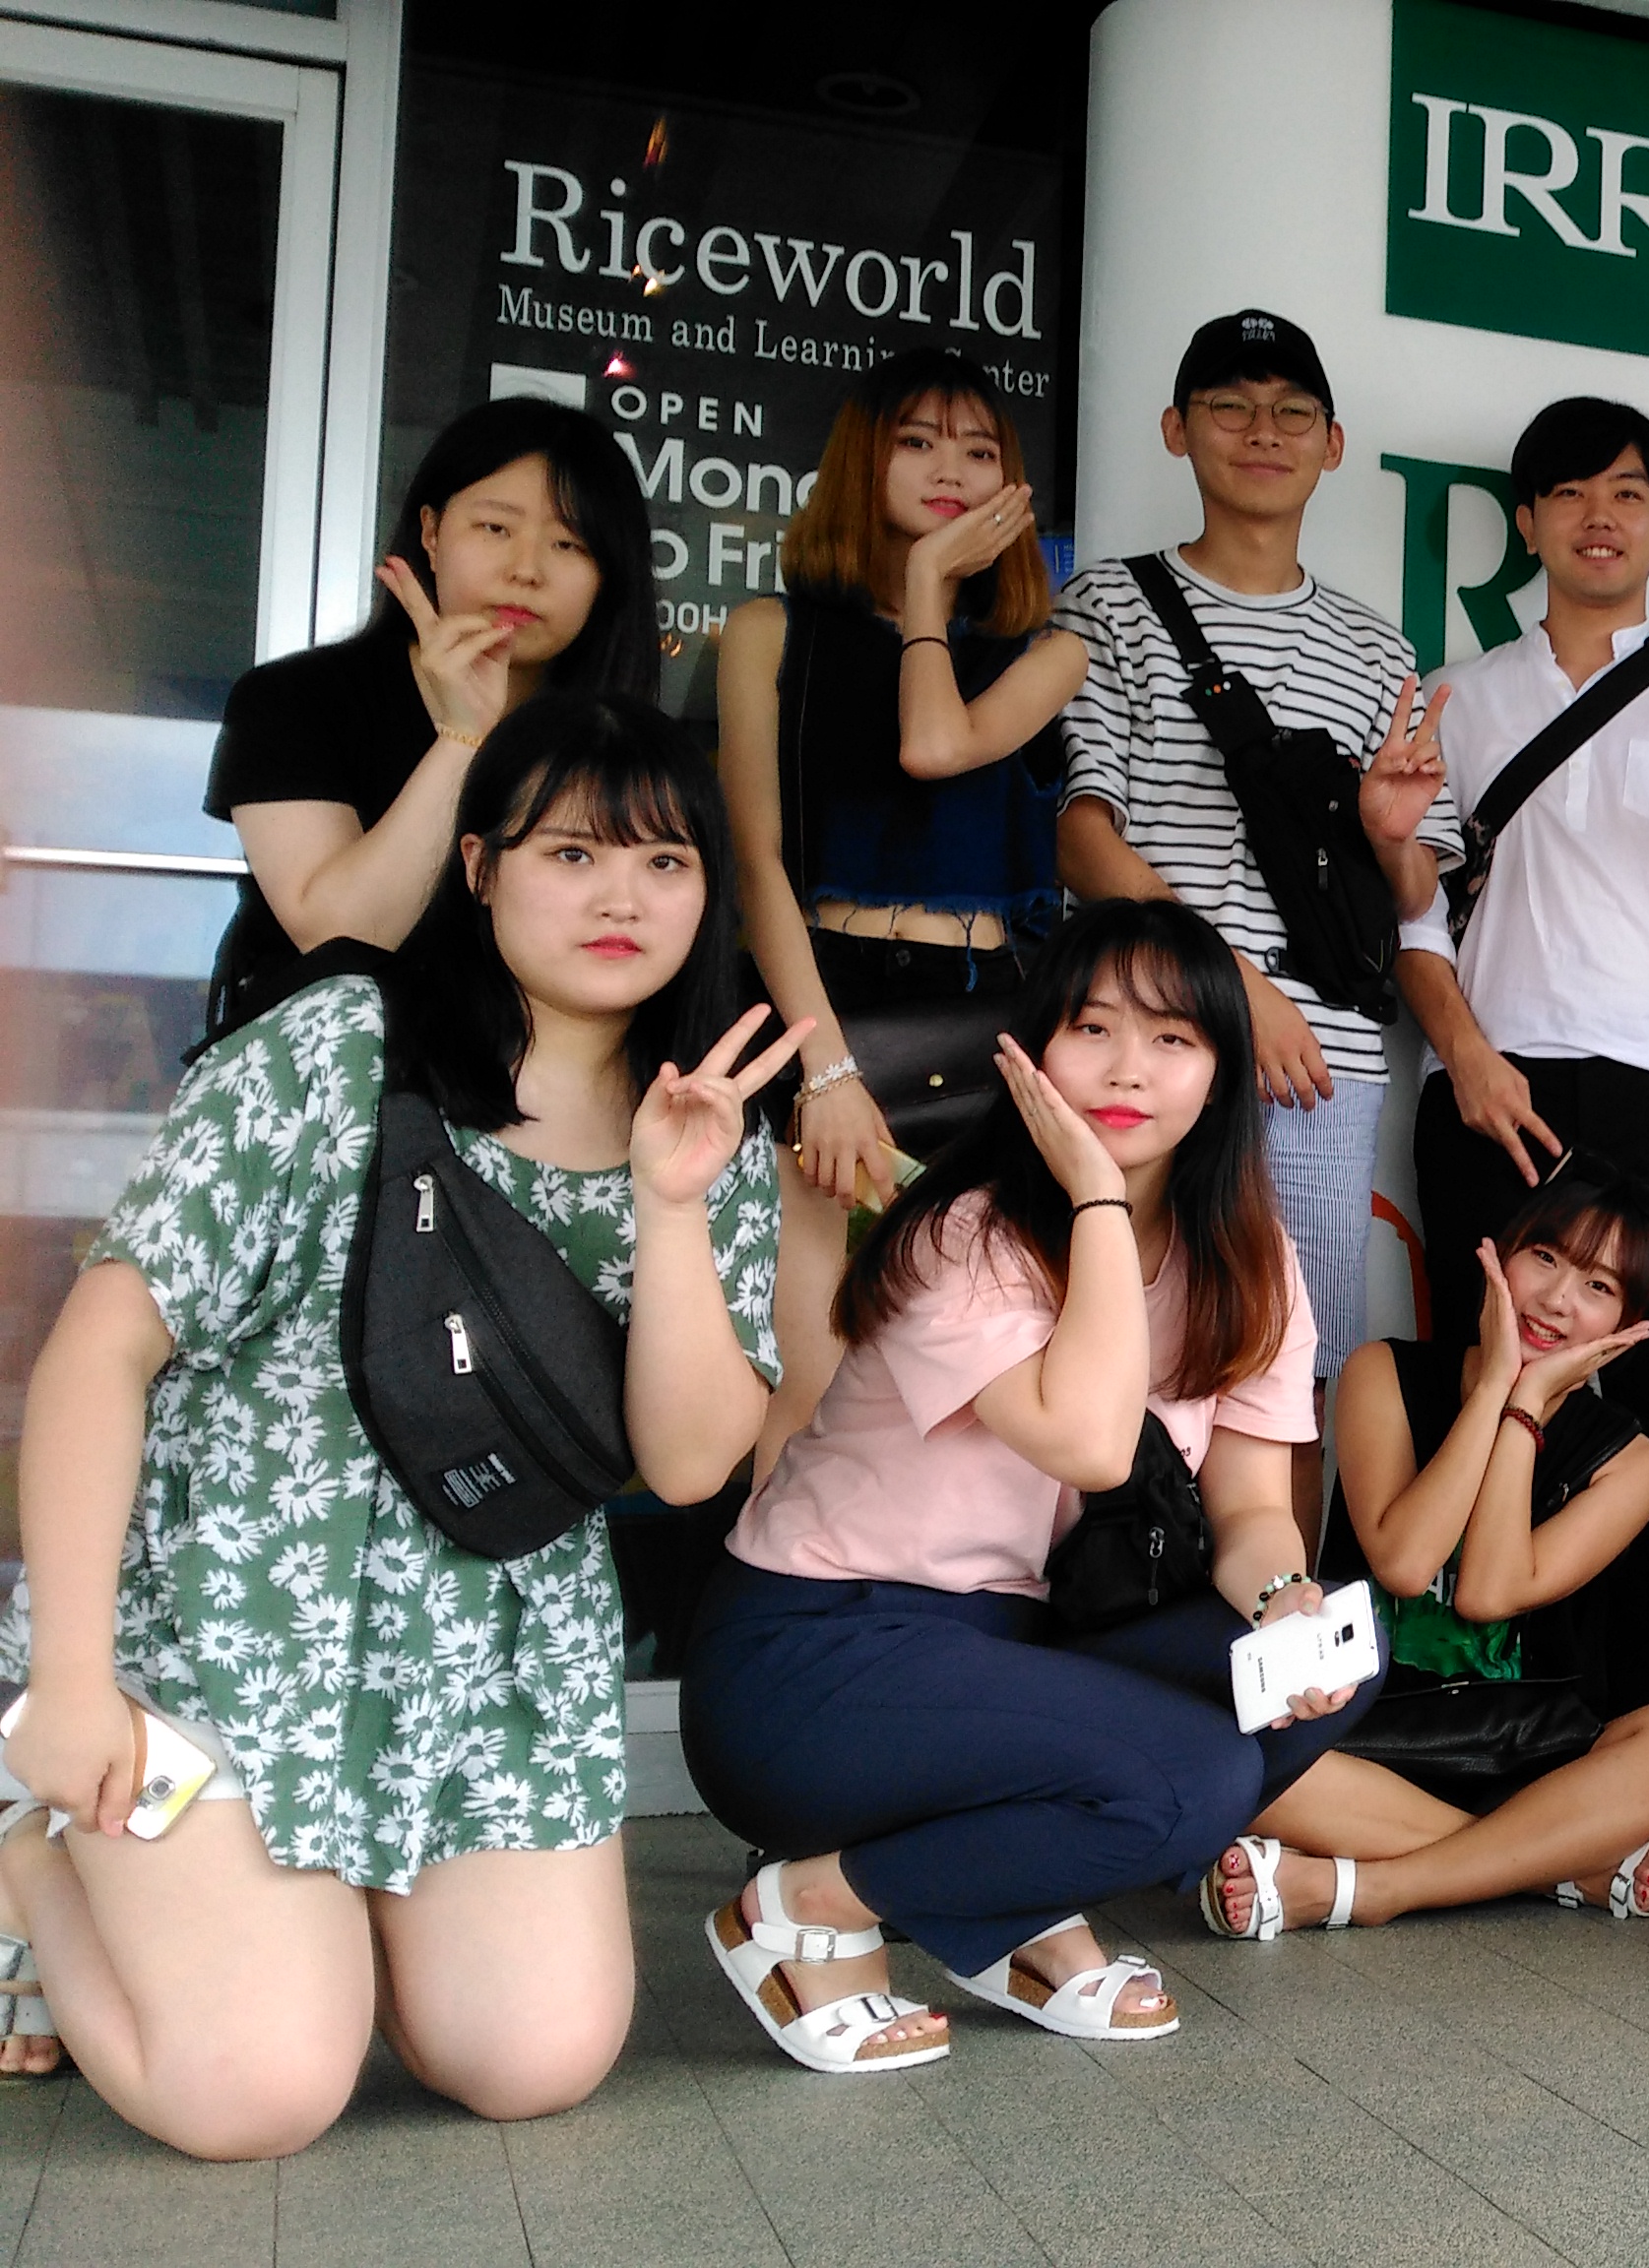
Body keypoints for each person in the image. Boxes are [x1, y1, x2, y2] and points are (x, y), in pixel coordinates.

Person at [0, 696, 795, 2151]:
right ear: (479, 868)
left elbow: (689, 1467)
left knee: (534, 2061)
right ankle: (24, 1857)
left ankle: (296, 1928)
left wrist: (672, 1204)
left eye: (666, 862)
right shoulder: (332, 1053)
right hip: (238, 1618)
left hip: (491, 1658)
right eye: (572, 853)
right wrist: (67, 1681)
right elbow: (99, 1352)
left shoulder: (712, 1124)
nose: (622, 896)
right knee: (256, 2095)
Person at [682, 898, 1367, 2073]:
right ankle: (807, 1906)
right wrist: (1097, 1198)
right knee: (1190, 1780)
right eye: (1092, 1029)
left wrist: (1282, 1602)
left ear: (1220, 1071)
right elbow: (1089, 1446)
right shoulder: (967, 1235)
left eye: (1172, 1038)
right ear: (1032, 1049)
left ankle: (1000, 1903)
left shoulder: (1251, 1262)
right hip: (813, 1663)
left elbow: (1253, 1511)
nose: (1127, 1068)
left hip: (1013, 1647)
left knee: (1332, 1662)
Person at [1399, 396, 1649, 1708]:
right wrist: (1464, 1053)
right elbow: (1411, 914)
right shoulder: (1457, 695)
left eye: (1629, 493)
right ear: (1526, 522)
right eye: (1571, 493)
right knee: (1483, 1383)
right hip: (1495, 1085)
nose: (1600, 517)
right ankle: (1466, 1712)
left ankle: (1641, 1735)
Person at [1055, 311, 1448, 1498]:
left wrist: (1390, 833)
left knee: (1295, 1372)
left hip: (1318, 1068)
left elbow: (1414, 894)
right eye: (1230, 406)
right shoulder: (1109, 606)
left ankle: (1275, 1611)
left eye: (1290, 413)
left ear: (1334, 444)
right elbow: (1081, 837)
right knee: (1104, 1349)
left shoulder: (1377, 650)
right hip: (1141, 1037)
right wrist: (1232, 985)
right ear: (1177, 430)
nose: (1261, 432)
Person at [1199, 1172, 1649, 1935]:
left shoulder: (1636, 1462)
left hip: (1537, 1754)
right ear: (1499, 1257)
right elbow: (1405, 1564)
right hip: (1364, 1735)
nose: (1558, 1299)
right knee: (1222, 1762)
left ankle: (1374, 1887)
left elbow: (1488, 1591)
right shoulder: (1382, 1372)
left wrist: (1526, 1408)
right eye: (1545, 1257)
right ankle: (1559, 1864)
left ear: (1628, 1324)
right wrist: (1492, 1391)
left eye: (1599, 1286)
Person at [718, 349, 1086, 1447]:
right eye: (917, 442)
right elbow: (755, 863)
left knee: (973, 1373)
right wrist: (823, 1068)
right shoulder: (770, 632)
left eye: (979, 450)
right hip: (819, 997)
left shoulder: (1048, 653)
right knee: (807, 1371)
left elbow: (934, 745)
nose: (950, 470)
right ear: (862, 459)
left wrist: (927, 588)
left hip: (987, 1012)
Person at [202, 396, 659, 1037]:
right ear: (431, 533)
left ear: (607, 575)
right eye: (495, 528)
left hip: (534, 1080)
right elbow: (340, 940)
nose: (526, 570)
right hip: (335, 1075)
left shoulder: (621, 744)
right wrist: (461, 738)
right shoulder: (293, 700)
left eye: (568, 543)